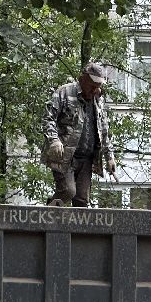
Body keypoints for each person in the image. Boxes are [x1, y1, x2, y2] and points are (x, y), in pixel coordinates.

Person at [42, 61, 117, 207]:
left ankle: (72, 224)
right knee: (68, 191)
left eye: (98, 86)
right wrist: (54, 140)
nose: (95, 89)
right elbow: (48, 118)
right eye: (92, 85)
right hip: (65, 156)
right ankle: (46, 216)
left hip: (87, 159)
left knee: (82, 200)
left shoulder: (98, 100)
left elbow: (103, 130)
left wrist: (109, 157)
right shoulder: (64, 92)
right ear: (82, 79)